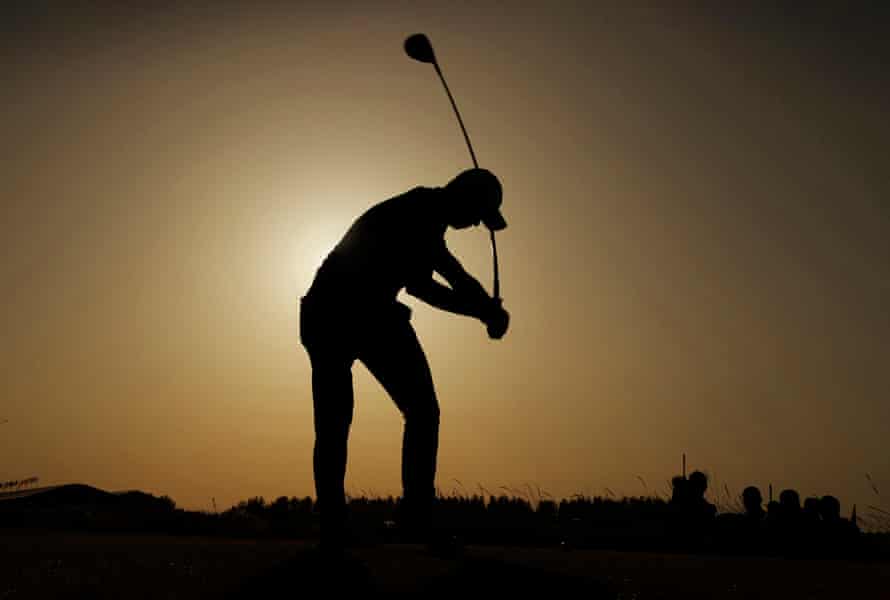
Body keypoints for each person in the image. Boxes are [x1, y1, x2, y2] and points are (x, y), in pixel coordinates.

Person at [299, 168, 510, 551]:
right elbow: (426, 287)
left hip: (363, 312)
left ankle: (409, 520)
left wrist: (485, 309)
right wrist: (484, 312)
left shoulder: (430, 218)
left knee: (417, 412)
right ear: (465, 197)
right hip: (334, 312)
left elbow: (453, 273)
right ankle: (342, 525)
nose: (477, 223)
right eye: (479, 214)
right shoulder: (420, 213)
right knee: (338, 421)